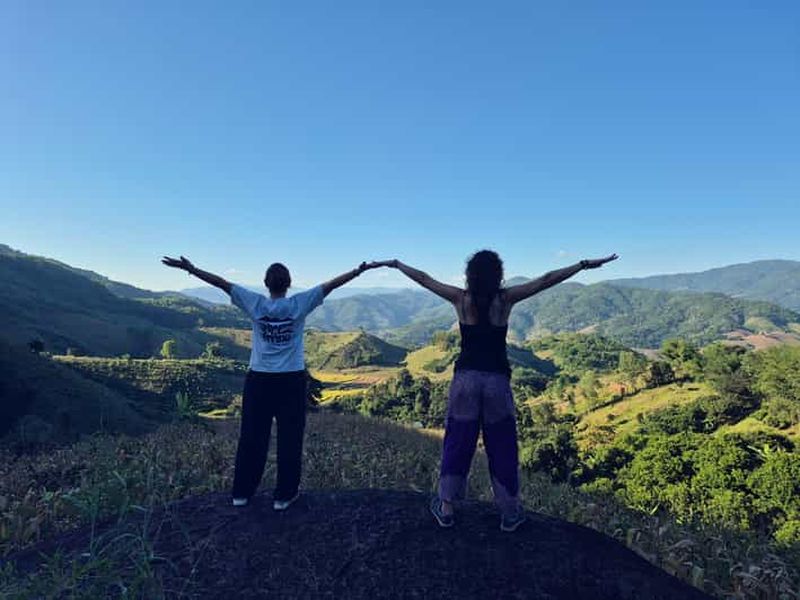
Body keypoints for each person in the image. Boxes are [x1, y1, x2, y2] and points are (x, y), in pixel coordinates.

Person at [374, 251, 618, 531]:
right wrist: (583, 265)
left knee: (458, 440)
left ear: (470, 275)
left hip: (465, 380)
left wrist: (396, 264)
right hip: (496, 382)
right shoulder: (505, 300)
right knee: (501, 444)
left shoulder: (461, 299)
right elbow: (547, 280)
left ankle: (446, 507)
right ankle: (510, 513)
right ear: (498, 275)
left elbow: (424, 279)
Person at [161, 255, 378, 510]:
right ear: (289, 283)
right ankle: (283, 497)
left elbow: (221, 283)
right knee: (290, 437)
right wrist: (357, 271)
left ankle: (242, 493)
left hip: (259, 379)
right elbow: (330, 285)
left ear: (266, 284)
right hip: (291, 380)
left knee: (252, 436)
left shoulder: (255, 303)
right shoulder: (299, 303)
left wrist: (190, 268)